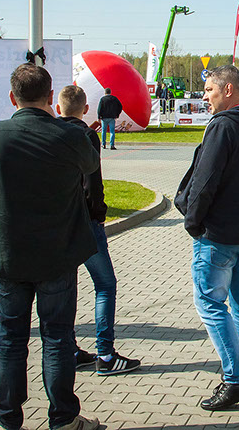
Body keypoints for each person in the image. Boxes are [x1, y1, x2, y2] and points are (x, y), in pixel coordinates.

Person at [0, 63, 101, 430]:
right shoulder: (69, 136)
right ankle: (64, 418)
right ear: (51, 96)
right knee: (57, 338)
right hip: (57, 255)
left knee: (10, 339)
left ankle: (6, 419)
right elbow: (89, 165)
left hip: (8, 253)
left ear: (11, 97)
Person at [174, 65, 239, 410]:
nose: (205, 97)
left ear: (229, 89)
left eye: (209, 90)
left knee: (210, 303)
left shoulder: (223, 127)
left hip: (219, 234)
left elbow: (204, 180)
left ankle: (237, 377)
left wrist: (193, 222)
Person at [56, 85, 141, 377]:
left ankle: (68, 349)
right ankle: (105, 353)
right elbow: (93, 180)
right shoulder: (86, 136)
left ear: (58, 108)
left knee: (66, 287)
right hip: (85, 220)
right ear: (85, 109)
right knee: (105, 284)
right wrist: (99, 214)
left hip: (58, 222)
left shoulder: (50, 133)